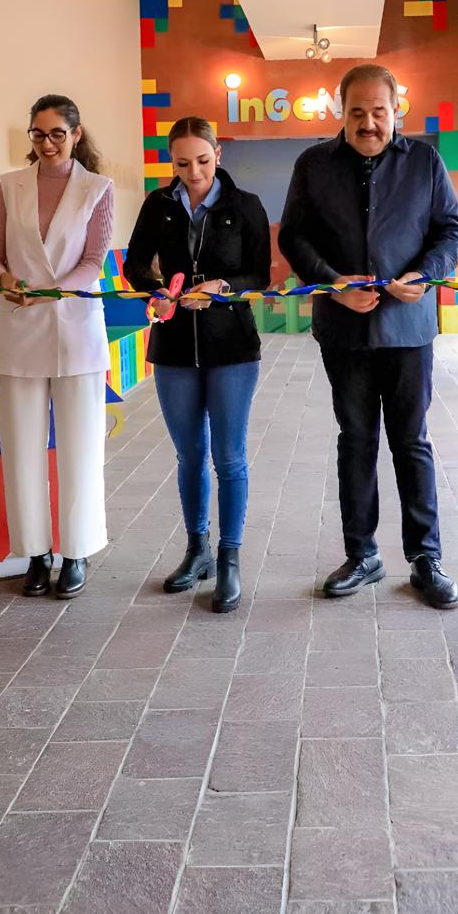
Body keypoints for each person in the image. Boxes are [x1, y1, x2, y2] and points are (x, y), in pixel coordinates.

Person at [279, 64, 458, 608]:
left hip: (408, 329)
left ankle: (425, 558)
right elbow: (294, 234)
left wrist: (427, 273)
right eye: (357, 112)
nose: (368, 123)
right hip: (343, 330)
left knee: (412, 441)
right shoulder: (313, 164)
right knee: (356, 441)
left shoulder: (425, 161)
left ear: (395, 112)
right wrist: (331, 284)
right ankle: (361, 554)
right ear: (342, 112)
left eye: (378, 112)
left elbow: (451, 229)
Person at [124, 116, 270, 612]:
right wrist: (158, 290)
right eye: (182, 163)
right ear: (172, 161)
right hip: (173, 348)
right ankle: (197, 549)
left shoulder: (245, 206)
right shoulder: (158, 204)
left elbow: (260, 276)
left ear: (218, 154)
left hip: (231, 347)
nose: (193, 173)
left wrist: (223, 288)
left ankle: (229, 560)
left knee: (228, 458)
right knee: (189, 456)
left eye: (202, 161)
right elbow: (135, 264)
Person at [0, 94, 114, 598]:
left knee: (80, 446)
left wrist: (52, 292)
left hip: (75, 327)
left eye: (58, 133)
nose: (48, 143)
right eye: (39, 134)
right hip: (18, 327)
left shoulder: (96, 188)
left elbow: (95, 261)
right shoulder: (8, 187)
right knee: (21, 448)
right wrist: (7, 280)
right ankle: (36, 553)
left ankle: (76, 552)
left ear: (76, 135)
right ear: (30, 137)